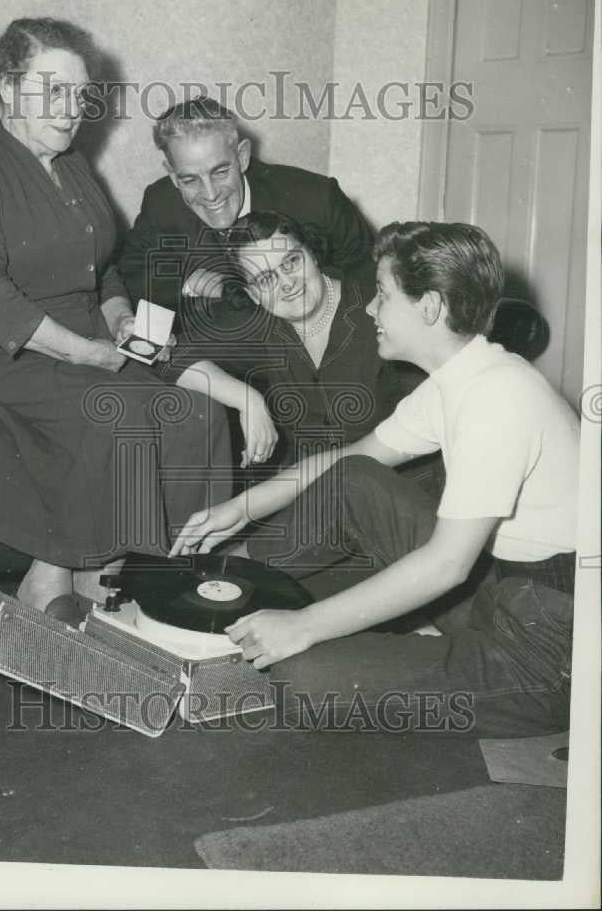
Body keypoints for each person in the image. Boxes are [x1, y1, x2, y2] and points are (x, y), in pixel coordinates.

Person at [171, 222, 579, 738]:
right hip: (501, 590)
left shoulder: (496, 400)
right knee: (354, 478)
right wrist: (240, 509)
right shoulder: (466, 376)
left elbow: (447, 566)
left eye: (382, 295)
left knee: (298, 677)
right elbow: (352, 459)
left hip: (551, 653)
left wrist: (304, 626)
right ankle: (225, 594)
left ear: (428, 307)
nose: (369, 309)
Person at [0, 17, 233, 619]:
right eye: (54, 91)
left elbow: (104, 268)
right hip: (16, 357)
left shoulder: (75, 167)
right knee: (123, 411)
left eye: (81, 94)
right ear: (9, 89)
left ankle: (119, 575)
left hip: (93, 344)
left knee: (198, 409)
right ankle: (50, 580)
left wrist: (118, 319)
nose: (72, 110)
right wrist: (86, 353)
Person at [160, 210, 417, 468]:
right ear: (252, 294)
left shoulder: (379, 307)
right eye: (265, 279)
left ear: (312, 254)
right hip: (309, 483)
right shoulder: (259, 326)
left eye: (291, 262)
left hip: (397, 477)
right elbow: (160, 349)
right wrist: (246, 399)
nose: (286, 283)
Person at [118, 96, 374, 320]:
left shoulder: (316, 199)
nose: (210, 194)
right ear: (173, 176)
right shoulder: (161, 203)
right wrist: (192, 282)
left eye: (220, 172)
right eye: (190, 180)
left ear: (242, 157)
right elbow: (133, 274)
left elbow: (369, 281)